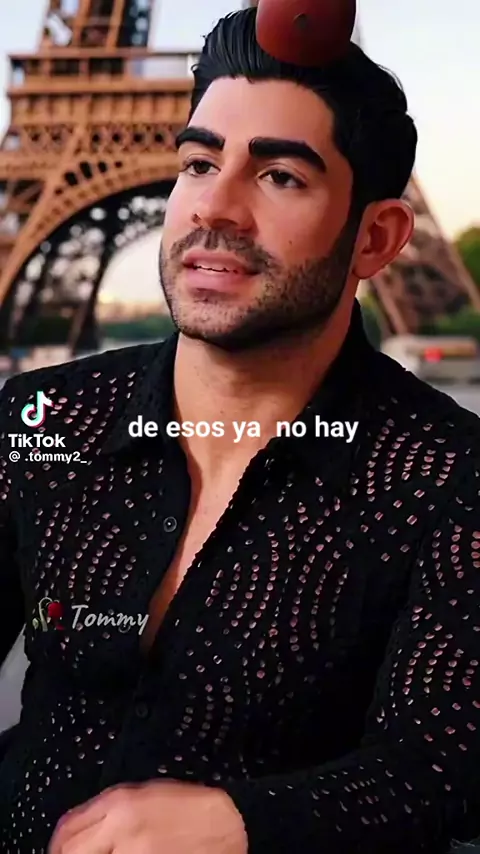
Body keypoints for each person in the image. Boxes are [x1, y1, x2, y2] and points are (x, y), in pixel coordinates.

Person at [0, 6, 479, 853]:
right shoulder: (39, 423)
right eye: (198, 163)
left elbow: (442, 766)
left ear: (376, 237)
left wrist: (247, 822)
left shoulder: (448, 478)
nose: (215, 208)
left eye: (280, 176)